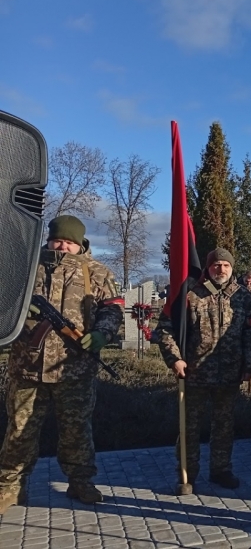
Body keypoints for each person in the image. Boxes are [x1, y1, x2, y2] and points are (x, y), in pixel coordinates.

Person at [0, 215, 123, 513]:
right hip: (27, 366)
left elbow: (112, 310)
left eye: (69, 242)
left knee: (76, 429)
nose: (63, 246)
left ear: (80, 243)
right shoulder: (26, 269)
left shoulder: (96, 272)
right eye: (59, 240)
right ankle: (10, 487)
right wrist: (17, 308)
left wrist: (100, 334)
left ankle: (80, 481)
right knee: (19, 430)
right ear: (49, 239)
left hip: (74, 369)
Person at [156, 248, 251, 490]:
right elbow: (165, 329)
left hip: (229, 374)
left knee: (224, 426)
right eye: (216, 265)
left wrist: (249, 365)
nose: (220, 269)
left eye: (226, 265)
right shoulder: (189, 294)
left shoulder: (242, 295)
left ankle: (221, 470)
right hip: (194, 373)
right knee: (189, 427)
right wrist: (175, 359)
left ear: (232, 269)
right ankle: (187, 474)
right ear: (207, 267)